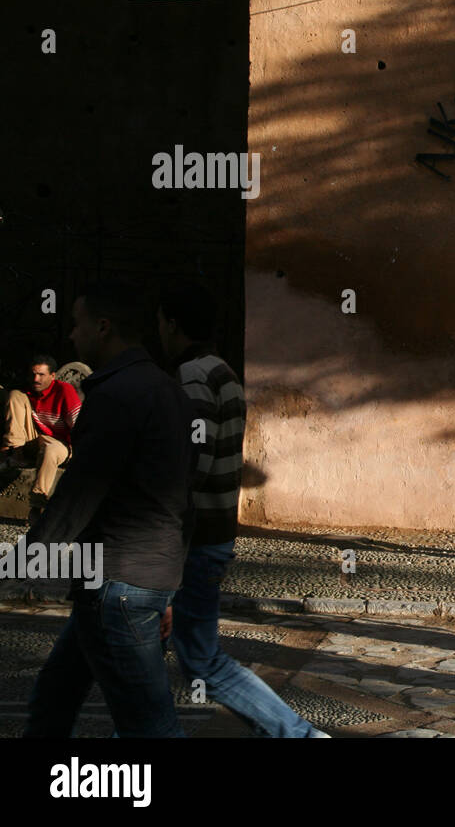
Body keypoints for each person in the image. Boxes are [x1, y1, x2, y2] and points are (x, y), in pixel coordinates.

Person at [23, 282, 193, 738]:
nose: (72, 338)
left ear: (103, 327)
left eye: (77, 325)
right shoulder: (168, 391)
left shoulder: (116, 393)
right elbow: (181, 499)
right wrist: (171, 586)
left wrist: (23, 562)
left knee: (149, 726)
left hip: (118, 584)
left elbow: (82, 490)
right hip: (136, 577)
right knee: (53, 698)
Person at [157, 281, 326, 737]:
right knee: (192, 656)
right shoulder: (222, 372)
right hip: (212, 533)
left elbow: (196, 459)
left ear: (172, 325)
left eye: (161, 322)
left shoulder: (194, 374)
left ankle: (297, 734)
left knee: (198, 658)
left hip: (196, 538)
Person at [1, 354, 82, 521]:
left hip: (62, 444)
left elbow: (79, 425)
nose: (36, 379)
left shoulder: (64, 390)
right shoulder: (28, 391)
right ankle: (15, 453)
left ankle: (37, 503)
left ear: (52, 376)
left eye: (41, 375)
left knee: (51, 448)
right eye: (33, 374)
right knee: (15, 395)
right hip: (35, 439)